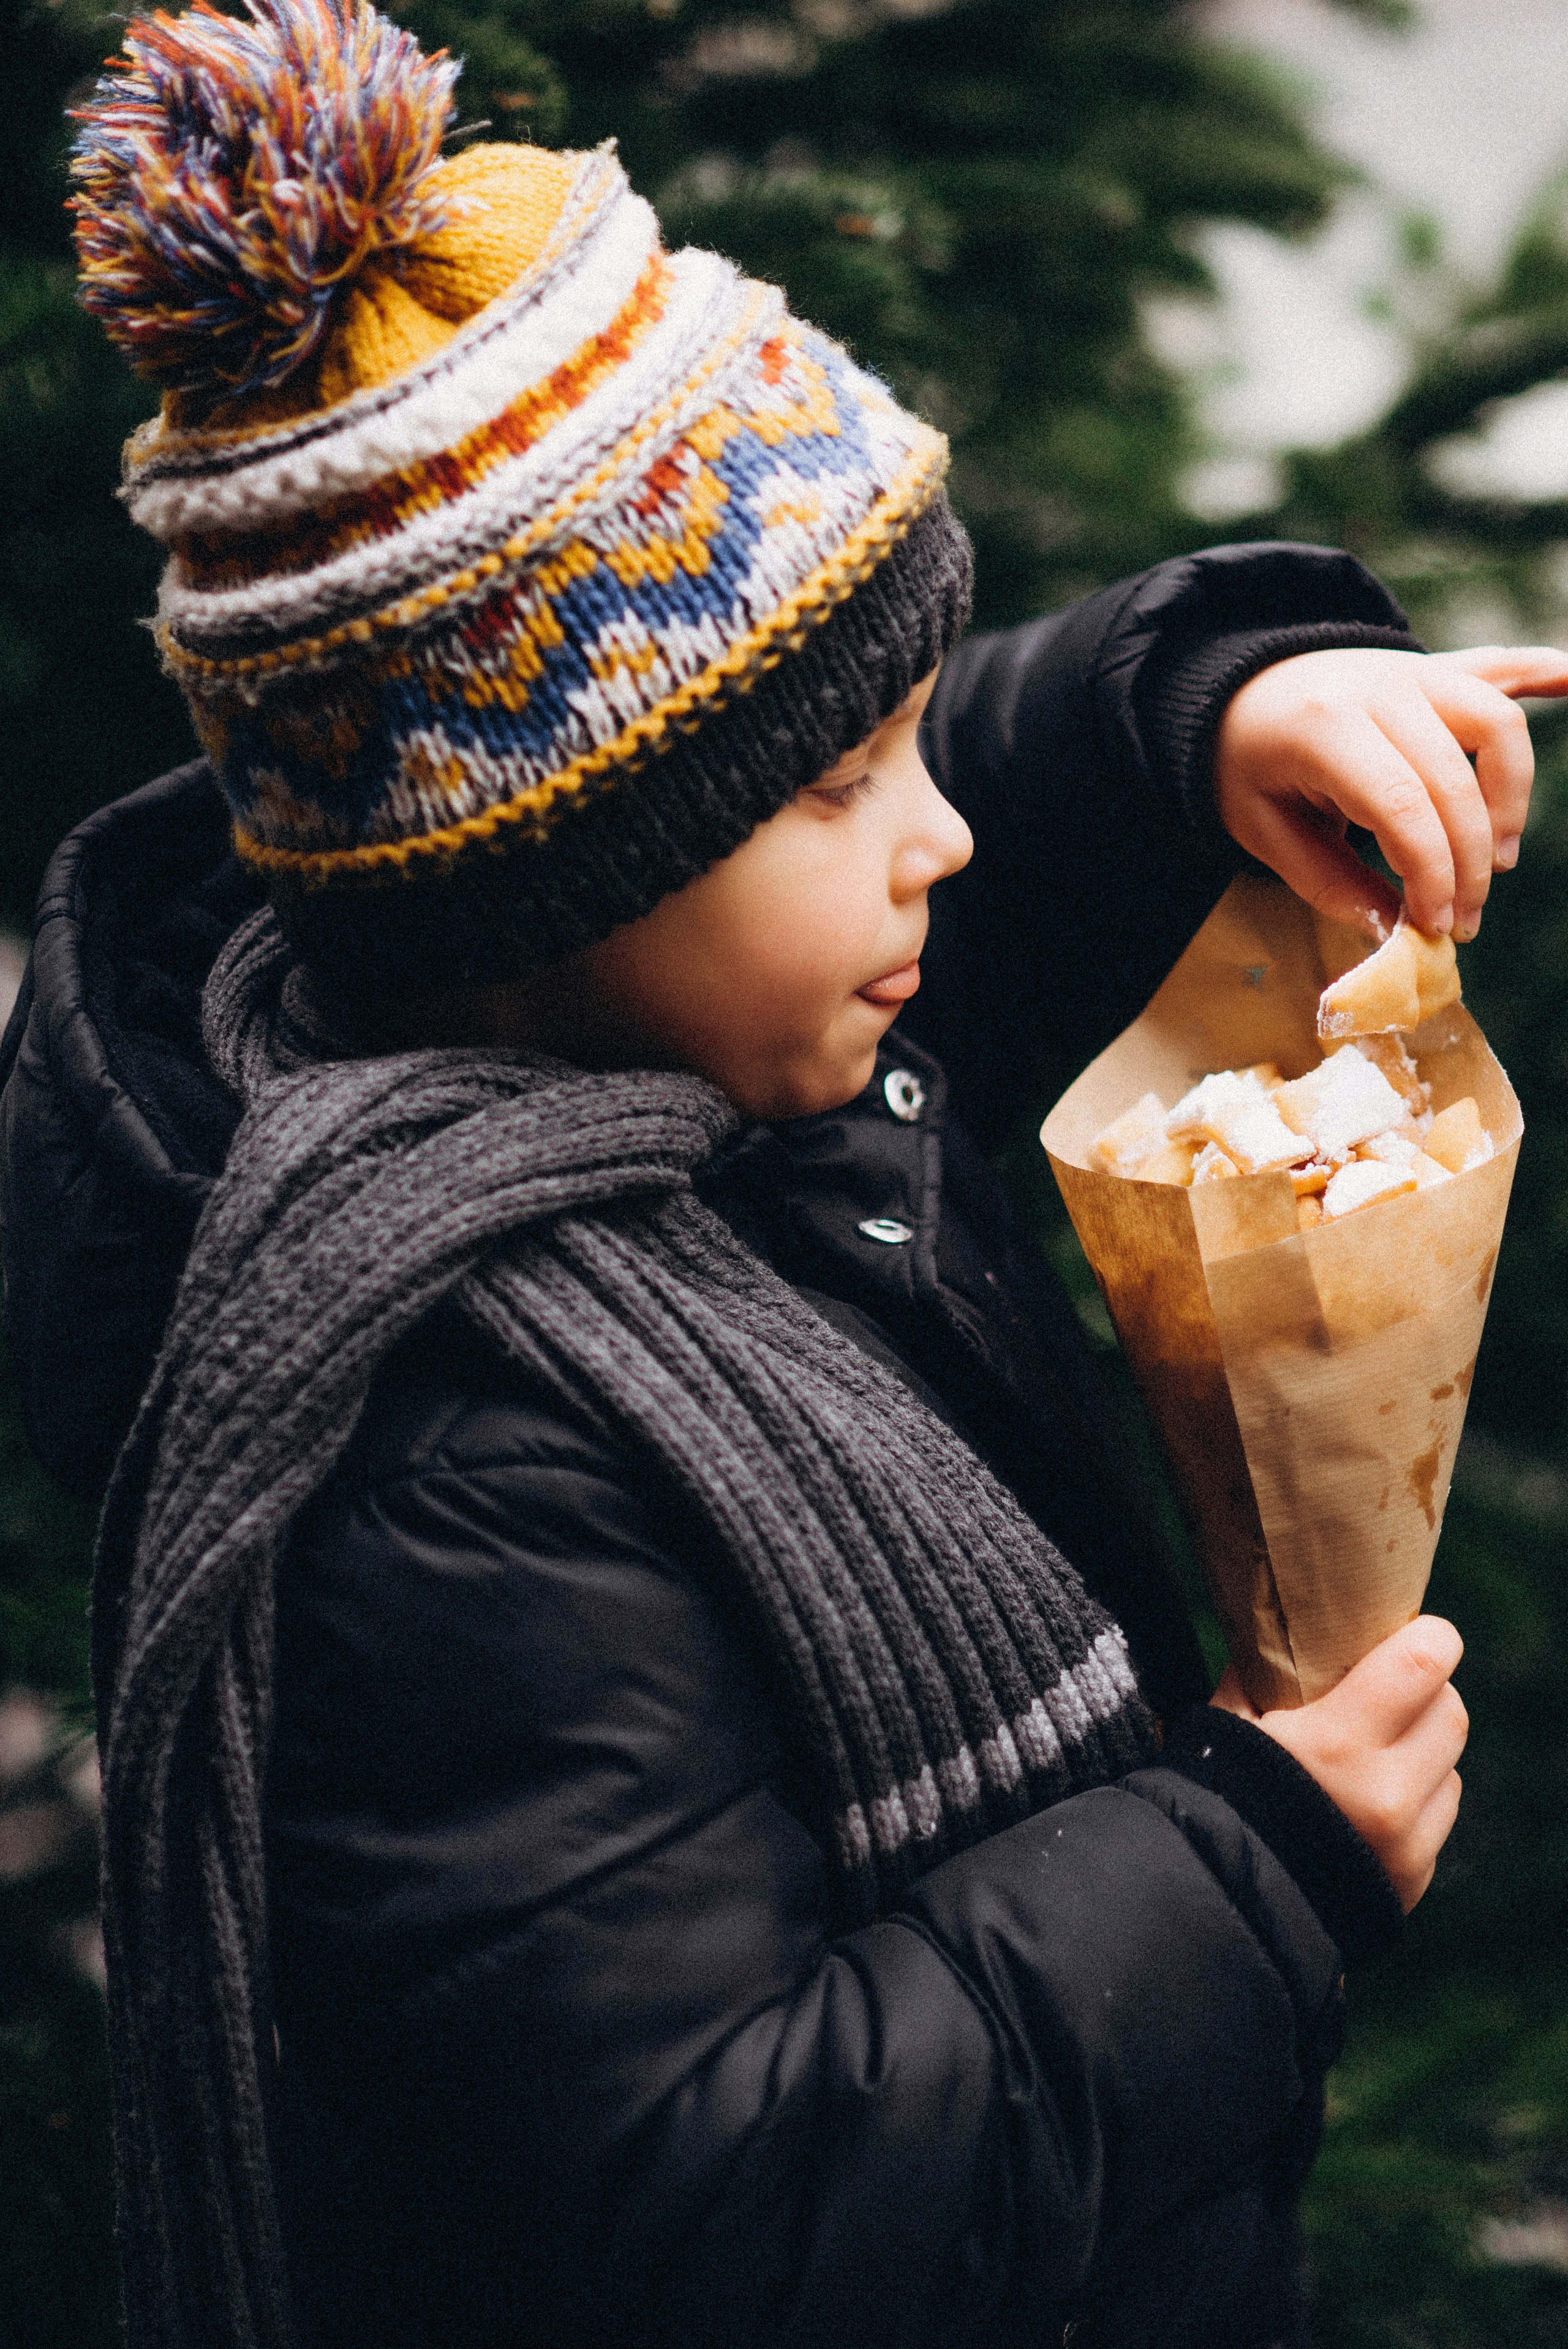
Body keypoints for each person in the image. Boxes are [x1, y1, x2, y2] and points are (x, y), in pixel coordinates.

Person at [1, 2, 1564, 2343]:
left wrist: (1203, 714)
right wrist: (1249, 1871)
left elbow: (941, 800)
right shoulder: (445, 1469)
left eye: (910, 738)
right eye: (845, 786)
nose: (940, 833)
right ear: (565, 873)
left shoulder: (689, 1023)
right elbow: (705, 2209)